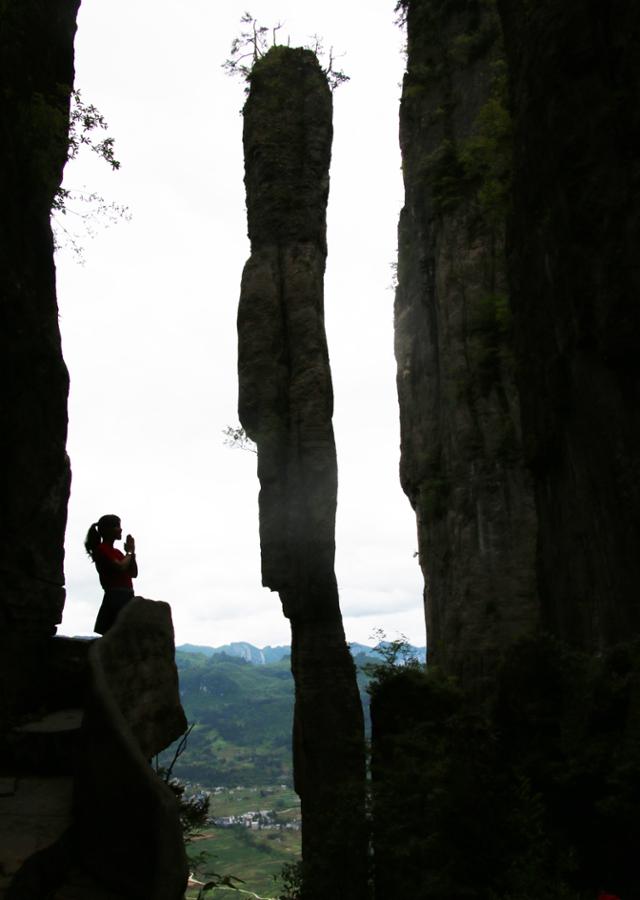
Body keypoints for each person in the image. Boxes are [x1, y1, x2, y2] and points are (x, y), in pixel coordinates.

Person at [85, 514, 138, 634]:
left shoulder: (118, 552)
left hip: (126, 595)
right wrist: (129, 553)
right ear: (107, 530)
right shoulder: (102, 549)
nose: (121, 529)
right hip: (115, 597)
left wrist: (132, 553)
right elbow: (120, 567)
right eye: (117, 526)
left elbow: (133, 573)